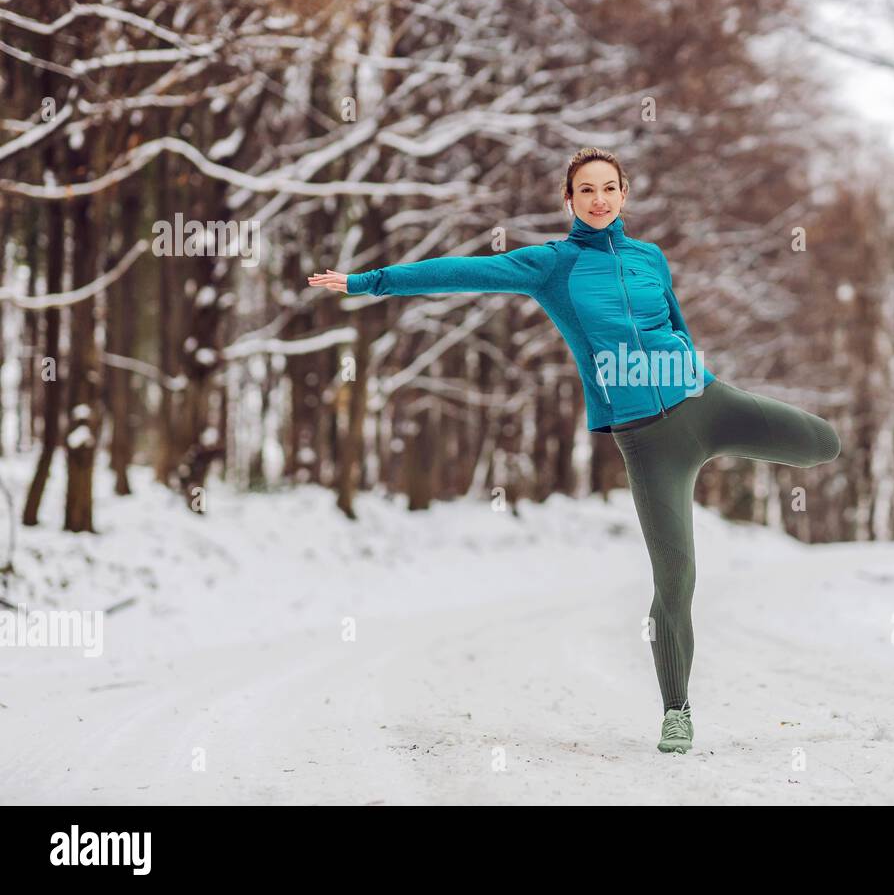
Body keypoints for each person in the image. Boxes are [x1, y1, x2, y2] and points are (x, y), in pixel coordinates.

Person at [309, 147, 841, 753]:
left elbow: (677, 325)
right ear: (569, 201)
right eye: (585, 190)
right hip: (648, 439)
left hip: (706, 402)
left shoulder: (650, 258)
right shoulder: (552, 266)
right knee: (676, 577)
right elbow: (463, 271)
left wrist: (696, 376)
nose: (598, 199)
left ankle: (795, 447)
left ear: (624, 195)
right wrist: (366, 282)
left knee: (823, 442)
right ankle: (677, 711)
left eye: (608, 188)